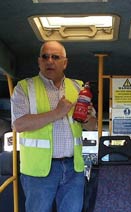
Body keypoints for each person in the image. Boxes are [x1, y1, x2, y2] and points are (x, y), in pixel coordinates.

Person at [11, 41, 97, 212]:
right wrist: (57, 113)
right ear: (39, 61)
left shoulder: (78, 87)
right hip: (38, 172)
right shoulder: (24, 87)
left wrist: (87, 119)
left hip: (74, 169)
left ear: (64, 63)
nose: (50, 61)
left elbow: (93, 126)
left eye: (55, 57)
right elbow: (18, 124)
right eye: (45, 56)